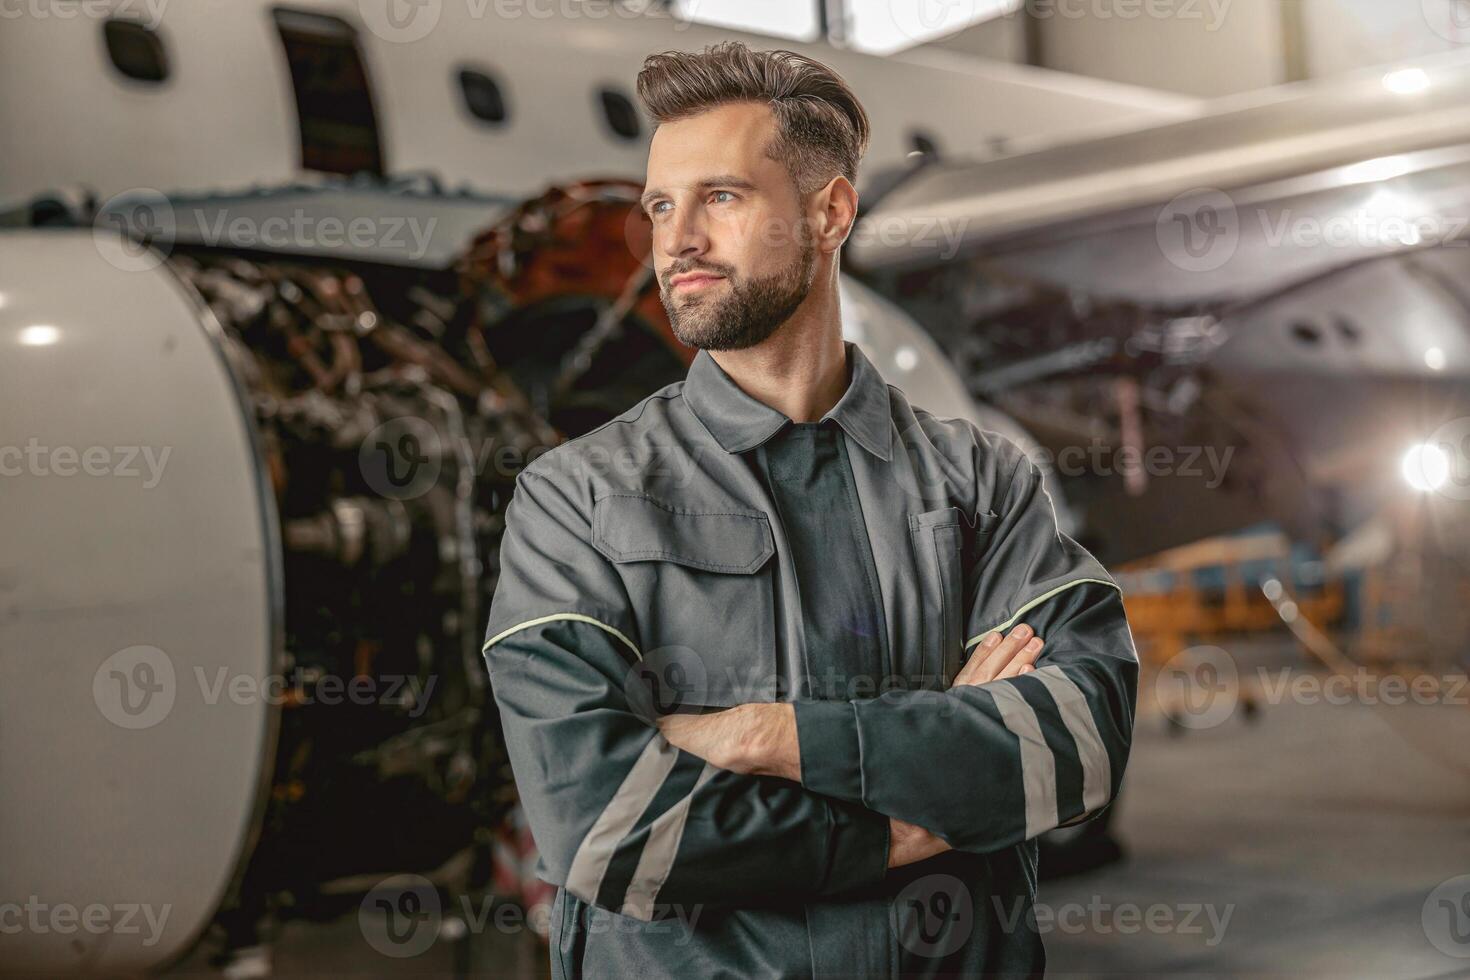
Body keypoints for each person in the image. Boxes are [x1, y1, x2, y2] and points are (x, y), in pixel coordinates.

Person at [481, 40, 1139, 978]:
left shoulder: (983, 484)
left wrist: (766, 737)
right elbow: (606, 830)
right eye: (661, 206)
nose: (675, 241)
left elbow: (1073, 750)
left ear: (829, 212)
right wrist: (918, 812)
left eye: (721, 197)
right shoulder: (574, 499)